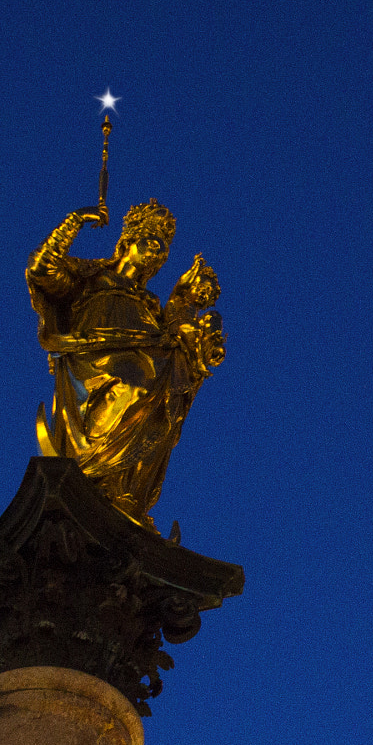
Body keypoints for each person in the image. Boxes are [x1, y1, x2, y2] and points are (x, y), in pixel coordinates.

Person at [27, 200, 225, 526]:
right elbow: (43, 270)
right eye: (151, 240)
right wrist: (74, 220)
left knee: (164, 401)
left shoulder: (150, 303)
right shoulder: (92, 278)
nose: (158, 251)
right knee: (131, 386)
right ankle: (92, 474)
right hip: (96, 364)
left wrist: (200, 334)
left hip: (145, 362)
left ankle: (123, 490)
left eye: (164, 249)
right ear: (127, 241)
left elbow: (178, 336)